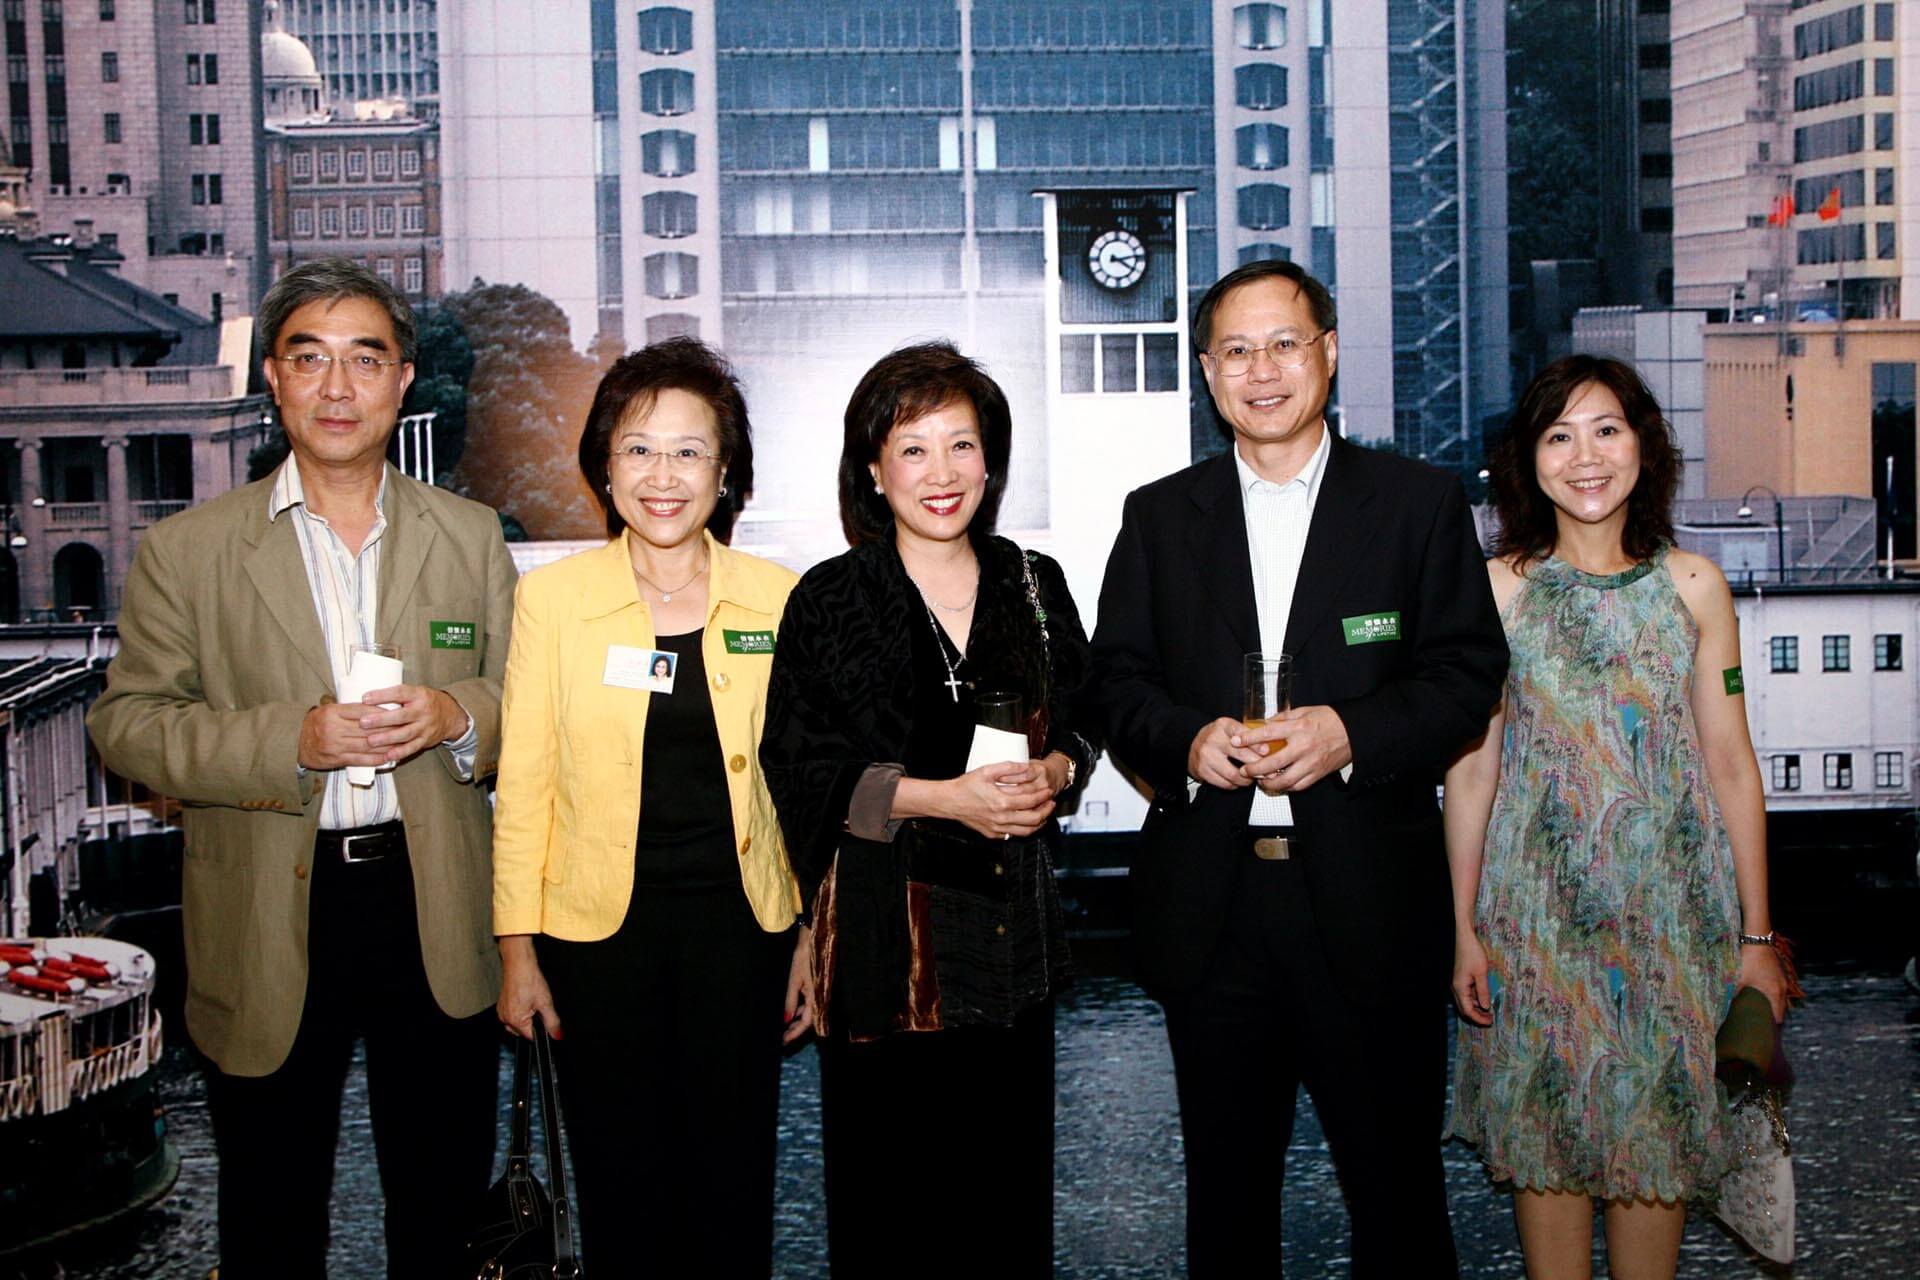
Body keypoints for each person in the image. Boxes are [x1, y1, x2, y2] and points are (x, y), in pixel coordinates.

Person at [87, 258, 516, 1279]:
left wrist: (461, 713)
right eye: (309, 359)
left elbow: (526, 702)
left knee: (443, 1210)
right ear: (271, 379)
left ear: (402, 381)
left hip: (437, 898)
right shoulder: (188, 552)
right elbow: (129, 726)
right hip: (268, 905)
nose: (338, 387)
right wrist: (294, 739)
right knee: (272, 1218)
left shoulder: (468, 534)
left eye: (364, 360)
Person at [1089, 258, 1509, 1276]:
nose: (1262, 369)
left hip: (1371, 903)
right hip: (1215, 911)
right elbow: (1115, 680)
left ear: (1326, 352)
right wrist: (1187, 740)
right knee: (1227, 1209)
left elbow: (1467, 671)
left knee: (1399, 1202)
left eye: (1284, 343)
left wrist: (1351, 733)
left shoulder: (1416, 503)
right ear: (1205, 370)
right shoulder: (1158, 515)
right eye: (1236, 349)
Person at [1445, 355, 1790, 1280]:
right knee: (1547, 1168)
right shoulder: (1498, 591)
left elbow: (1731, 765)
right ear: (1530, 460)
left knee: (1656, 1186)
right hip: (1534, 937)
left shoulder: (1694, 586)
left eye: (1607, 429)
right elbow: (1473, 773)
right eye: (1559, 435)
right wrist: (1463, 932)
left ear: (1644, 445)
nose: (1585, 456)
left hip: (1678, 936)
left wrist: (1756, 938)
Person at [760, 341, 1098, 1277]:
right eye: (912, 449)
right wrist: (942, 798)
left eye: (961, 445)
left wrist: (1060, 772)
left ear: (991, 461)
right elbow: (795, 764)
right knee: (889, 1216)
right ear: (872, 469)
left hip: (1007, 943)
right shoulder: (830, 599)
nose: (940, 473)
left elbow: (1084, 715)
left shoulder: (1035, 582)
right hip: (884, 951)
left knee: (1006, 1209)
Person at [490, 338, 808, 1276]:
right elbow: (527, 788)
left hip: (742, 935)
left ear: (726, 470)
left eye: (687, 451)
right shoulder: (551, 603)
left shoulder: (781, 600)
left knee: (735, 1186)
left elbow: (803, 787)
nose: (661, 476)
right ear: (603, 465)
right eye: (637, 449)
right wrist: (517, 953)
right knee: (623, 1189)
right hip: (596, 944)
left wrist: (804, 938)